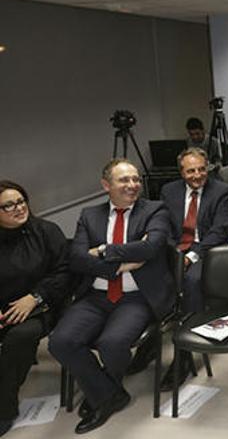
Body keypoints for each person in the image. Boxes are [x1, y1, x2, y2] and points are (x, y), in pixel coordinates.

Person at [49, 159, 173, 434]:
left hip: (137, 297)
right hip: (95, 296)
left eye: (136, 179)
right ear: (106, 185)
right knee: (61, 341)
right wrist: (121, 262)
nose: (133, 185)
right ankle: (109, 394)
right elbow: (78, 258)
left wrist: (103, 249)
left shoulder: (155, 209)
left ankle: (101, 394)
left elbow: (151, 247)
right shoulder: (89, 215)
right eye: (124, 180)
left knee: (112, 344)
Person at [158, 148, 228, 390]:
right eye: (191, 170)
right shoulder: (168, 191)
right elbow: (163, 227)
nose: (197, 175)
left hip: (206, 252)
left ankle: (184, 352)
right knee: (150, 278)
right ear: (182, 172)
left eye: (202, 169)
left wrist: (191, 256)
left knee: (191, 281)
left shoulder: (221, 191)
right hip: (175, 250)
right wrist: (174, 253)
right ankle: (151, 341)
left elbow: (220, 230)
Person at [0, 181, 70, 436]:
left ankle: (4, 409)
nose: (18, 208)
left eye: (20, 201)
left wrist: (35, 298)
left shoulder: (46, 232)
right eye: (8, 205)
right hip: (4, 309)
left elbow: (64, 273)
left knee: (18, 338)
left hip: (44, 306)